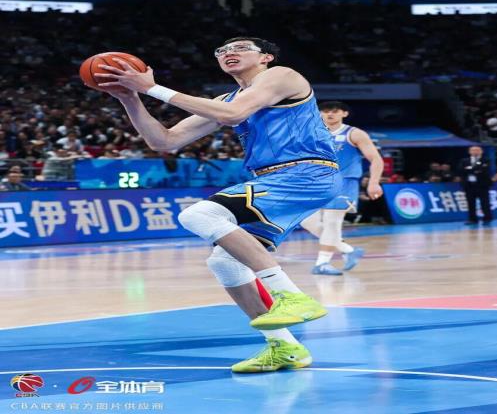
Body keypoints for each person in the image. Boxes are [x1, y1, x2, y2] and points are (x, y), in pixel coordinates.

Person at [95, 37, 343, 373]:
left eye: (240, 48)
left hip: (306, 171)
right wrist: (131, 99)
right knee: (225, 261)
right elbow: (164, 141)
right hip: (278, 178)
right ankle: (284, 347)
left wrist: (152, 88)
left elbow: (234, 114)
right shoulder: (225, 100)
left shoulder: (282, 76)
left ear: (266, 57)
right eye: (222, 51)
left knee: (199, 214)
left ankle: (292, 296)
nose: (229, 53)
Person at [300, 101, 384, 275]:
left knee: (332, 221)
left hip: (344, 182)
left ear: (344, 113)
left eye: (334, 111)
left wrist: (373, 182)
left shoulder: (354, 133)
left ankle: (322, 263)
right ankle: (347, 250)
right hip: (318, 183)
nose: (330, 114)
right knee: (307, 221)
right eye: (325, 111)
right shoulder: (312, 133)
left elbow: (376, 159)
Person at [458, 146, 493, 225]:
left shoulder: (486, 160)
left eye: (477, 150)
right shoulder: (464, 161)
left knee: (485, 202)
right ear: (469, 152)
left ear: (481, 151)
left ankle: (487, 217)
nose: (475, 152)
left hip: (482, 185)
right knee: (471, 202)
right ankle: (472, 219)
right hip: (469, 185)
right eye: (473, 150)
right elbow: (461, 170)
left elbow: (484, 170)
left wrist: (469, 169)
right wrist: (475, 170)